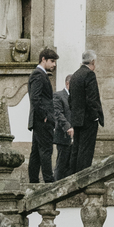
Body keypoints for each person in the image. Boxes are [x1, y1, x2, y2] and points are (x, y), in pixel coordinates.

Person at [67, 49, 105, 175]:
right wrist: (95, 116)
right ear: (93, 61)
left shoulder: (75, 75)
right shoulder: (89, 74)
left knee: (76, 150)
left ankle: (73, 175)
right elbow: (92, 99)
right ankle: (83, 177)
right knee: (86, 150)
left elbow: (70, 99)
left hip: (77, 119)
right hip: (87, 119)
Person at [26, 47, 58, 185]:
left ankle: (33, 181)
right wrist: (44, 115)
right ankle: (48, 181)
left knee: (36, 152)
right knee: (45, 150)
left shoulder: (39, 74)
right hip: (42, 120)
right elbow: (35, 98)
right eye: (52, 61)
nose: (54, 64)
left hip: (40, 120)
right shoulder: (38, 75)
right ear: (43, 59)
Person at [53, 73, 74, 181]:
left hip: (74, 137)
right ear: (67, 83)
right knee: (61, 164)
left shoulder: (75, 97)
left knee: (71, 166)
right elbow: (58, 114)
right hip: (63, 136)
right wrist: (68, 127)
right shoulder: (58, 95)